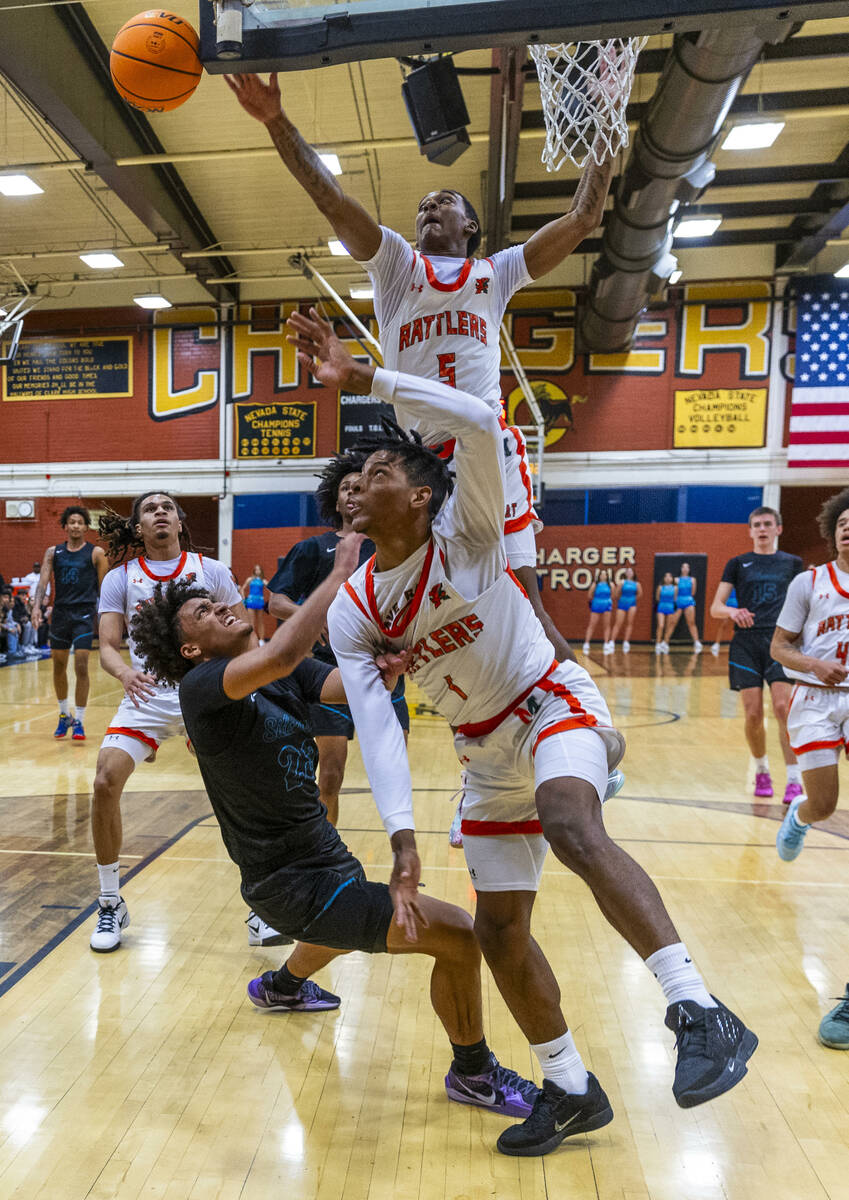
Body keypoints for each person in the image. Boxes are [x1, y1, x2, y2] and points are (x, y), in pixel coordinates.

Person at [293, 308, 757, 1158]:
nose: (364, 476)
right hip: (478, 749)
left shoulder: (468, 533)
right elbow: (379, 730)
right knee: (498, 931)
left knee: (570, 819)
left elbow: (479, 421)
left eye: (384, 465)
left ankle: (698, 1009)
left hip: (547, 699)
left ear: (424, 494)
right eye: (358, 473)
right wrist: (400, 839)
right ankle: (569, 1086)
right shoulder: (356, 611)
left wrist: (372, 380)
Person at [127, 544, 541, 1135]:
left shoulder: (282, 672)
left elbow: (344, 685)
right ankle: (473, 1072)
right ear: (191, 649)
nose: (220, 608)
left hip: (323, 858)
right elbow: (286, 648)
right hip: (288, 884)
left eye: (216, 602)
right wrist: (343, 571)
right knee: (457, 937)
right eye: (202, 613)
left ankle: (281, 986)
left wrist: (387, 667)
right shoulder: (204, 688)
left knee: (345, 924)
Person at [224, 70, 618, 666]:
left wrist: (608, 120)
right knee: (413, 602)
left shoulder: (497, 273)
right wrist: (276, 121)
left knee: (527, 603)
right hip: (420, 467)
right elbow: (331, 198)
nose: (431, 207)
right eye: (423, 206)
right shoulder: (396, 267)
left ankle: (580, 717)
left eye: (445, 203)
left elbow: (584, 217)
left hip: (486, 453)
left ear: (472, 229)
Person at [89, 492, 283, 953]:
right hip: (147, 695)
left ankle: (262, 905)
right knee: (103, 780)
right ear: (138, 528)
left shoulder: (211, 571)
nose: (159, 512)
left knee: (242, 795)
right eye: (149, 509)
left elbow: (244, 635)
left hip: (208, 691)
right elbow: (109, 643)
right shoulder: (120, 578)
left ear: (179, 521)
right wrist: (123, 672)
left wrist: (246, 682)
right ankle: (110, 901)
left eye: (166, 507)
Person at [267, 453, 409, 826]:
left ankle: (404, 853)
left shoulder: (396, 545)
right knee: (330, 775)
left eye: (360, 487)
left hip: (385, 667)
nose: (352, 493)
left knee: (397, 773)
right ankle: (326, 853)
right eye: (345, 487)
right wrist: (315, 618)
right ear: (335, 500)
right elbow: (276, 599)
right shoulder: (314, 548)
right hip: (328, 671)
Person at [769, 488, 849, 1052]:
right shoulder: (809, 583)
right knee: (824, 804)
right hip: (814, 698)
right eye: (843, 523)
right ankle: (800, 815)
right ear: (831, 530)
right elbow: (779, 647)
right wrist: (812, 661)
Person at [710, 506, 804, 804]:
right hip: (746, 644)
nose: (761, 529)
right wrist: (733, 611)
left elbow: (804, 602)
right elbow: (716, 608)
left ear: (778, 529)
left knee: (783, 708)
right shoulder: (738, 563)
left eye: (767, 524)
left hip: (780, 643)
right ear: (750, 530)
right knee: (752, 713)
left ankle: (793, 778)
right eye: (756, 525)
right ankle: (762, 770)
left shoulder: (793, 564)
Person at [33, 506, 109, 739]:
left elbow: (105, 588)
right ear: (65, 526)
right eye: (71, 522)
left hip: (85, 614)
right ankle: (64, 714)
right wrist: (36, 606)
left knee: (83, 663)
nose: (76, 526)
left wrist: (108, 618)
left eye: (80, 522)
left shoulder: (96, 553)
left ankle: (80, 720)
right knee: (58, 665)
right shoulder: (52, 553)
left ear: (86, 527)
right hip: (61, 614)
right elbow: (43, 583)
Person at [668, 562, 703, 653]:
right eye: (683, 567)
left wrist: (687, 599)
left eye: (687, 567)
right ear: (681, 569)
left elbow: (693, 592)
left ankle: (696, 642)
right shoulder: (676, 580)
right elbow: (674, 592)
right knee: (672, 622)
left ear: (689, 569)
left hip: (689, 601)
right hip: (678, 602)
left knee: (691, 622)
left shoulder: (692, 580)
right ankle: (665, 642)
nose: (685, 569)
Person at [582, 568, 613, 655]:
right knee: (592, 624)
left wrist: (607, 601)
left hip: (607, 605)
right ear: (599, 576)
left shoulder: (611, 584)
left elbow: (613, 595)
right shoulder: (595, 584)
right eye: (601, 574)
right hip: (596, 604)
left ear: (607, 576)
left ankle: (606, 643)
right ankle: (586, 643)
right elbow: (589, 594)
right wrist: (594, 602)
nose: (603, 576)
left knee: (607, 625)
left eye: (605, 574)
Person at [611, 566, 641, 653]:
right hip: (622, 604)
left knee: (630, 623)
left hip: (632, 604)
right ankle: (612, 642)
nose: (629, 573)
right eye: (628, 571)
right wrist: (623, 599)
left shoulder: (637, 584)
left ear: (633, 573)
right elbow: (616, 594)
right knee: (618, 623)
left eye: (631, 571)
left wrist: (632, 599)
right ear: (625, 573)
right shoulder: (622, 582)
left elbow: (640, 594)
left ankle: (626, 642)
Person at [241, 563, 268, 643]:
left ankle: (261, 640)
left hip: (260, 602)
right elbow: (242, 588)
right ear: (254, 571)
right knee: (251, 622)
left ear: (261, 571)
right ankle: (252, 639)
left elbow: (270, 588)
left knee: (260, 621)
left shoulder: (263, 580)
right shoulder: (250, 579)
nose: (257, 571)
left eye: (259, 569)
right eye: (256, 569)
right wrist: (243, 598)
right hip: (251, 601)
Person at [711, 587, 737, 655]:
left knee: (737, 626)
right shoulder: (728, 584)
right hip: (727, 605)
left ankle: (736, 644)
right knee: (723, 624)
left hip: (737, 604)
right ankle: (717, 643)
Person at [655, 572, 676, 654]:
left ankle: (665, 642)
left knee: (669, 626)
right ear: (664, 578)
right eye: (666, 576)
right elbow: (657, 597)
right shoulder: (660, 587)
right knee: (661, 625)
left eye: (670, 576)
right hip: (661, 607)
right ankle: (658, 643)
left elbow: (675, 598)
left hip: (670, 607)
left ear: (672, 579)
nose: (668, 578)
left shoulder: (675, 588)